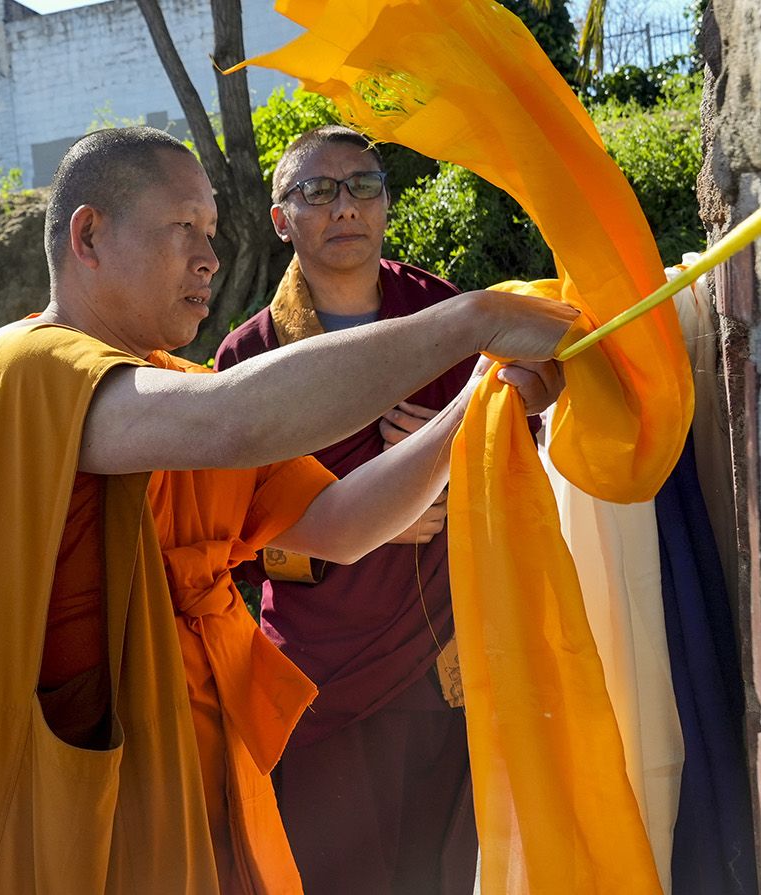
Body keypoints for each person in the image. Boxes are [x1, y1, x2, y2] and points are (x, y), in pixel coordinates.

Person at [0, 127, 573, 894]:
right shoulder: (19, 367)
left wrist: (477, 399)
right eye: (184, 229)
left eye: (211, 231)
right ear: (89, 234)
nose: (209, 256)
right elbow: (231, 417)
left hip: (208, 780)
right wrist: (467, 323)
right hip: (69, 793)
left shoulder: (173, 383)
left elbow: (342, 524)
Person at [211, 125, 503, 894]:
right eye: (317, 190)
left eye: (362, 185)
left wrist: (450, 486)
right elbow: (229, 544)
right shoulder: (249, 359)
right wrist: (365, 525)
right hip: (317, 672)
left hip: (439, 657)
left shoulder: (440, 315)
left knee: (444, 868)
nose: (344, 207)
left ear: (386, 201)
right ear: (282, 220)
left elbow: (516, 458)